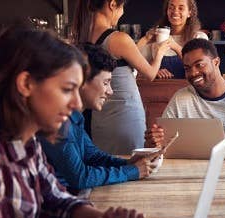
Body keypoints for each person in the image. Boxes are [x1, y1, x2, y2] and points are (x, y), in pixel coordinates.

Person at [0, 26, 160, 218]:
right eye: (67, 89)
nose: (77, 104)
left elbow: (57, 200)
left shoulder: (26, 142)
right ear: (26, 84)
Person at [39, 44, 160, 194]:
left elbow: (93, 157)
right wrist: (131, 171)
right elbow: (80, 177)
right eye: (105, 82)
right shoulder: (59, 122)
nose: (110, 91)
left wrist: (128, 163)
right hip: (62, 204)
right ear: (81, 81)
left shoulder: (75, 116)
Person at [72, 0, 171, 155]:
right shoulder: (118, 38)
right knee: (131, 165)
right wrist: (160, 52)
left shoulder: (84, 35)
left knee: (108, 166)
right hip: (124, 114)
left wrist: (144, 40)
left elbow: (121, 59)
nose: (122, 12)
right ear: (112, 4)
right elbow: (150, 74)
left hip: (99, 119)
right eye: (122, 6)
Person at [137, 0, 208, 79]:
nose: (175, 11)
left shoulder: (199, 38)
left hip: (190, 89)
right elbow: (136, 69)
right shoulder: (156, 37)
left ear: (189, 13)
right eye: (171, 7)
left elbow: (201, 68)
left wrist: (175, 46)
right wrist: (154, 72)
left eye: (181, 8)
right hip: (160, 89)